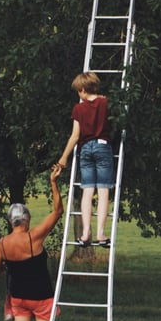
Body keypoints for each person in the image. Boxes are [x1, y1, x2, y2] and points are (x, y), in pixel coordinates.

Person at [0, 166, 64, 321]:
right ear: (27, 219)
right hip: (41, 297)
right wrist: (53, 182)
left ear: (10, 221)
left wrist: (5, 266)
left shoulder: (3, 243)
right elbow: (58, 211)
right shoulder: (34, 237)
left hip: (18, 297)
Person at [56, 71, 114, 247]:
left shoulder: (78, 108)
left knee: (87, 192)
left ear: (82, 89)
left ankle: (86, 231)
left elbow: (74, 136)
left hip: (85, 149)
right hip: (103, 146)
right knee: (103, 191)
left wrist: (63, 158)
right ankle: (101, 233)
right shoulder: (105, 103)